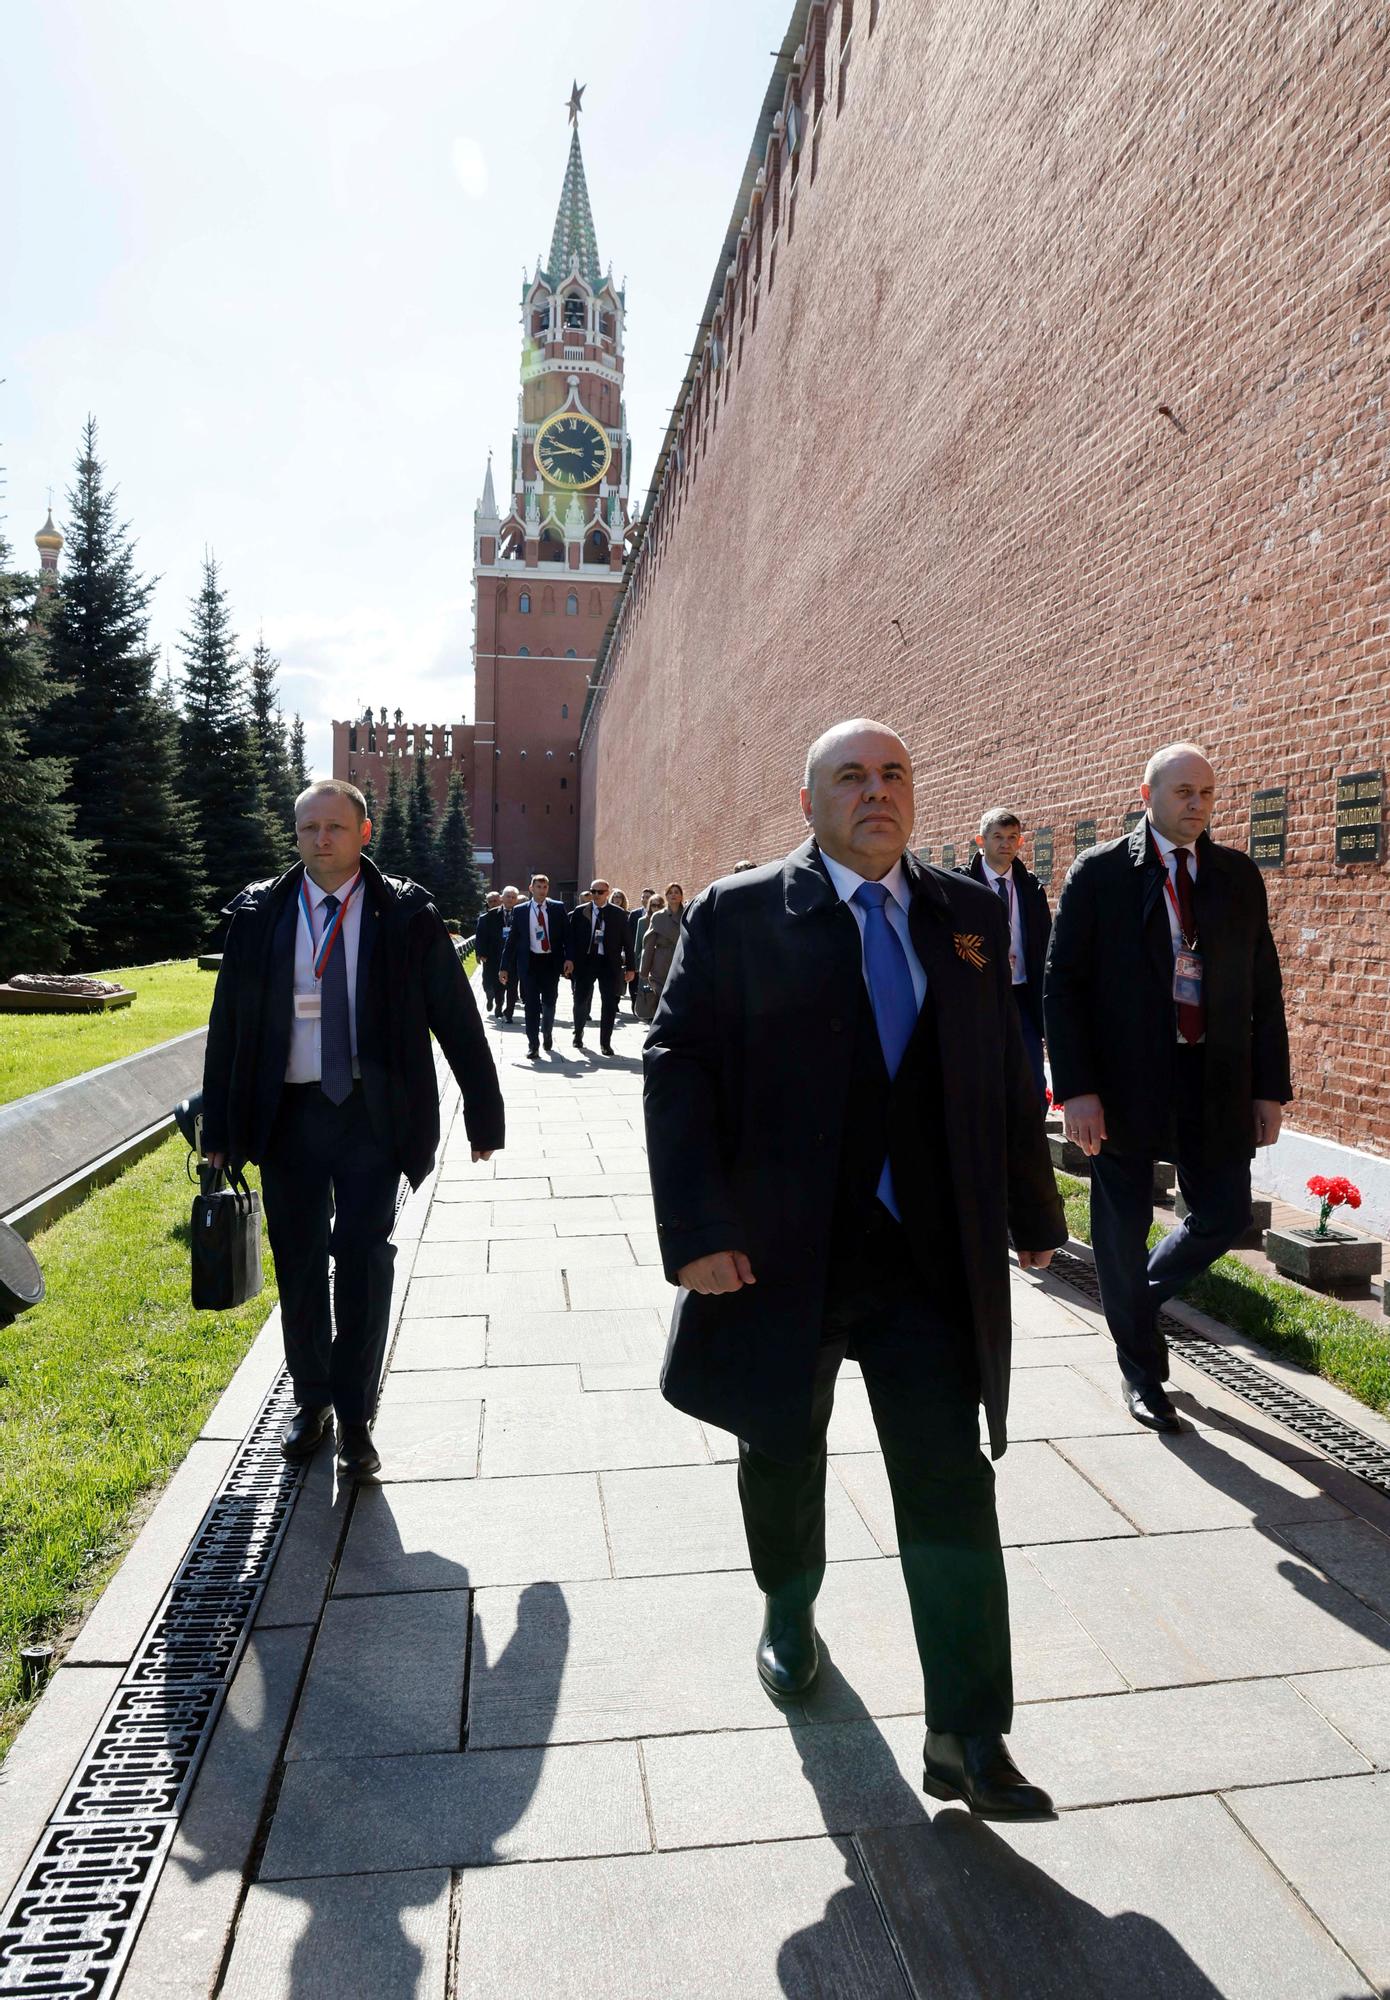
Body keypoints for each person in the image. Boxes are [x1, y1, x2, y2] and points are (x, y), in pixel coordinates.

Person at [645, 719, 1066, 1821]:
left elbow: (1003, 1070)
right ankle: (788, 1610)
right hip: (783, 1255)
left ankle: (970, 1731)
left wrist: (1031, 1202)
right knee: (781, 1447)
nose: (876, 793)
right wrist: (694, 1227)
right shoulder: (742, 913)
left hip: (927, 1257)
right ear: (807, 803)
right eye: (851, 777)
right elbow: (677, 1064)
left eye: (893, 775)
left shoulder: (966, 916)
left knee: (948, 1477)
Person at [202, 779, 504, 1479]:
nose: (321, 840)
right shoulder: (262, 913)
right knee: (300, 1263)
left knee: (363, 1259)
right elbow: (228, 1027)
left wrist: (484, 1112)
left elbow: (455, 1015)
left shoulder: (405, 912)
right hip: (287, 1117)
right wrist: (220, 1126)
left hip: (373, 1115)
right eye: (309, 828)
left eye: (335, 827)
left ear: (363, 833)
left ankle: (357, 1417)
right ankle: (311, 1402)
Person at [1044, 742, 1291, 1433]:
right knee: (1119, 1229)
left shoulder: (1237, 877)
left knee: (1223, 1211)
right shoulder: (1099, 875)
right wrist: (1077, 1091)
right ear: (1147, 794)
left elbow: (1264, 989)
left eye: (1207, 793)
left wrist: (1268, 1087)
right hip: (1123, 1082)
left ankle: (1134, 1301)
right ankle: (1142, 1371)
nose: (1197, 805)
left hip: (1213, 1076)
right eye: (1184, 792)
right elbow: (1061, 989)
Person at [963, 810, 1050, 1108]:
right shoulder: (962, 886)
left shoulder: (1031, 889)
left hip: (1022, 994)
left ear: (1021, 841)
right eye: (998, 837)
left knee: (1032, 1079)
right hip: (979, 995)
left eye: (1012, 837)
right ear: (980, 841)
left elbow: (1044, 944)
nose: (1005, 844)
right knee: (984, 1075)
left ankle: (1031, 1148)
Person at [499, 871, 567, 1058]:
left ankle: (547, 1031)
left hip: (551, 962)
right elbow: (511, 941)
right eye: (538, 887)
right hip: (529, 963)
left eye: (545, 887)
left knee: (549, 1003)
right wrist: (504, 967)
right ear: (531, 889)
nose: (542, 890)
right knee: (531, 1005)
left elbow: (566, 936)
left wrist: (569, 959)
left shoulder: (557, 908)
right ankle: (533, 1044)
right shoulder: (521, 911)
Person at [566, 877, 633, 1054]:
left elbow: (628, 942)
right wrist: (569, 960)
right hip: (585, 962)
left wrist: (631, 968)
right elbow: (570, 940)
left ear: (607, 893)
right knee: (580, 1000)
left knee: (609, 1003)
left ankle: (605, 1042)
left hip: (609, 963)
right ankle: (578, 1034)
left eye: (600, 892)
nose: (595, 895)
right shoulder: (580, 912)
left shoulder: (618, 914)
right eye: (593, 891)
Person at [636, 882, 683, 1024]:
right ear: (666, 896)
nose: (673, 894)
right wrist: (644, 971)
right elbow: (649, 945)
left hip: (682, 959)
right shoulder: (657, 917)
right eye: (670, 892)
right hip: (661, 962)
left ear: (681, 896)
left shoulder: (688, 914)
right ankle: (660, 1027)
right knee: (661, 997)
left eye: (676, 892)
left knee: (679, 996)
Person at [474, 890, 504, 1015]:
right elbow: (479, 937)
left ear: (500, 900)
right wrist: (479, 954)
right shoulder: (484, 918)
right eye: (490, 901)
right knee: (487, 980)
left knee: (501, 984)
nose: (493, 903)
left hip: (502, 956)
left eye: (495, 901)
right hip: (488, 956)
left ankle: (499, 1006)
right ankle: (489, 996)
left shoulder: (506, 917)